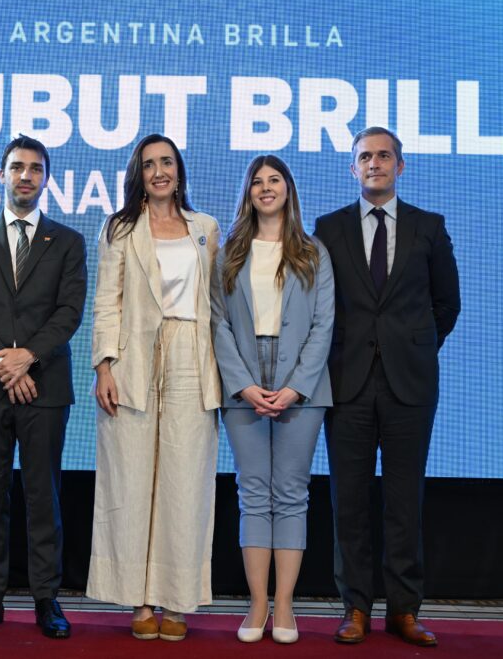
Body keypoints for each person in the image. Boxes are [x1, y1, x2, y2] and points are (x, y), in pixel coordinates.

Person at [313, 127, 460, 647]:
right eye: (364, 157)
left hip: (409, 385)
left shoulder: (429, 227)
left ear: (401, 165)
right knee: (348, 502)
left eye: (383, 155)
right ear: (352, 168)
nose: (373, 163)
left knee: (404, 501)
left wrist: (412, 346)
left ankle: (404, 610)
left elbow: (447, 304)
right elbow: (319, 305)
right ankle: (355, 608)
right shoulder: (328, 228)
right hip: (346, 383)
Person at [0, 135, 87, 640]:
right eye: (16, 167)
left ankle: (46, 598)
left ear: (46, 178)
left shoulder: (67, 241)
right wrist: (5, 364)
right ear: (1, 175)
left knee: (42, 494)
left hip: (44, 387)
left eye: (35, 168)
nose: (25, 175)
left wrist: (27, 357)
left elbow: (69, 311)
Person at [88, 134, 221, 642]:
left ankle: (177, 599)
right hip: (134, 359)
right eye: (149, 165)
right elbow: (107, 300)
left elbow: (218, 303)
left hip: (192, 355)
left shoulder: (206, 228)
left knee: (185, 482)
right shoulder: (120, 228)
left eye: (167, 162)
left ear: (179, 170)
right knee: (131, 480)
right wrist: (104, 366)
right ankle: (140, 600)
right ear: (138, 175)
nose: (159, 171)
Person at [211, 155, 334, 644]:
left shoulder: (313, 252)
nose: (266, 188)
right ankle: (258, 602)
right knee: (253, 493)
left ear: (288, 189)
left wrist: (296, 386)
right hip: (243, 381)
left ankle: (284, 603)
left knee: (291, 493)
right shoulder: (229, 252)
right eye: (257, 182)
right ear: (248, 192)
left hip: (301, 384)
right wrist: (242, 384)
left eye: (274, 180)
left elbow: (324, 324)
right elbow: (218, 322)